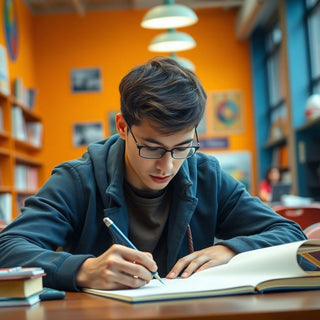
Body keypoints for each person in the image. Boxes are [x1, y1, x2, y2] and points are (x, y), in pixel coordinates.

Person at [0, 57, 306, 291]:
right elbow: (9, 247)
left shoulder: (205, 174)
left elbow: (291, 234)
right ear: (122, 126)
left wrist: (230, 249)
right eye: (152, 148)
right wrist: (84, 270)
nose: (168, 166)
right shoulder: (77, 180)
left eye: (182, 147)